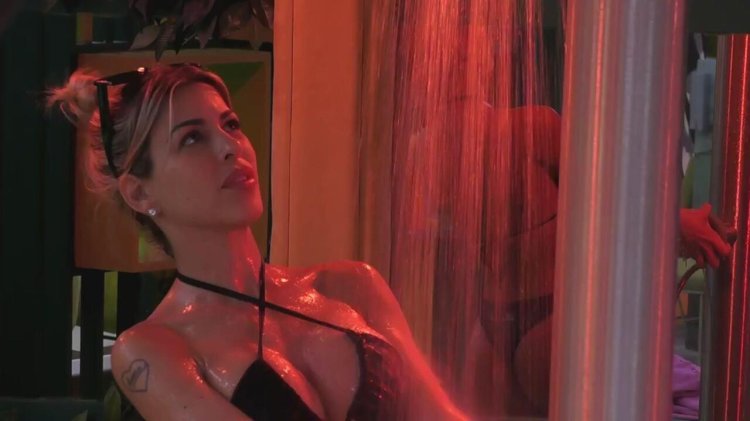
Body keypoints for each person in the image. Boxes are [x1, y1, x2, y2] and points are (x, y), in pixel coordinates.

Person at [48, 64, 466, 421]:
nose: (230, 147)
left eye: (230, 125)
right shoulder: (152, 348)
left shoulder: (353, 286)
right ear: (140, 193)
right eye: (192, 138)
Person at [462, 105, 736, 417]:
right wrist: (676, 225)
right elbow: (606, 203)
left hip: (490, 331)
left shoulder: (435, 148)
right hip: (550, 321)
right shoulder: (532, 125)